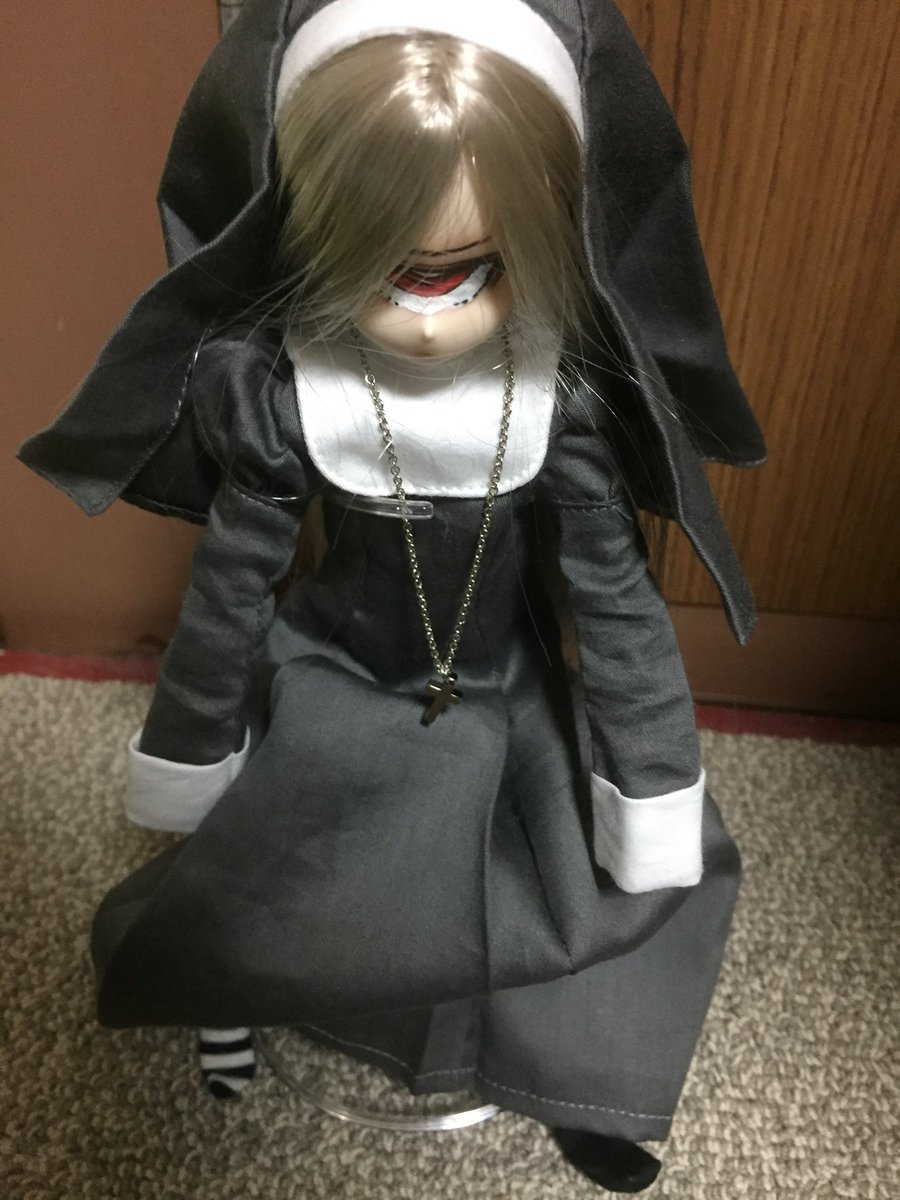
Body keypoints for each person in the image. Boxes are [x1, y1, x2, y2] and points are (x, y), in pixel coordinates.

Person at [18, 1, 765, 1192]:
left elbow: (618, 611)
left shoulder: (558, 407)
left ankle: (575, 1078)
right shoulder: (286, 398)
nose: (426, 321)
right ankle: (227, 1005)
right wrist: (193, 746)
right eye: (384, 270)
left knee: (613, 880)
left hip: (505, 679)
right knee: (262, 870)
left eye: (470, 272)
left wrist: (653, 772)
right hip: (339, 673)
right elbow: (230, 594)